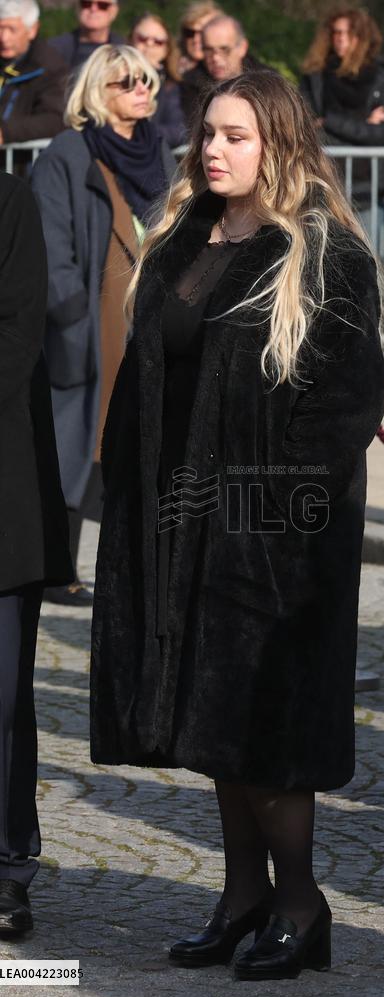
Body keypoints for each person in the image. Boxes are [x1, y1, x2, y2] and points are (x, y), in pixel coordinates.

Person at [90, 71, 384, 980]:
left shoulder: (323, 254)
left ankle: (300, 905)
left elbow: (342, 409)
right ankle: (242, 897)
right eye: (208, 133)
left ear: (279, 145)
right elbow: (150, 380)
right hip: (181, 523)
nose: (213, 150)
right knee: (212, 718)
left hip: (274, 539)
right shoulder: (184, 235)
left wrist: (271, 523)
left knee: (268, 727)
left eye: (235, 136)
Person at [31, 44, 175, 606]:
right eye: (126, 82)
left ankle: (132, 576)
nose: (141, 91)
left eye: (146, 81)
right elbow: (50, 244)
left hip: (144, 319)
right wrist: (71, 315)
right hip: (90, 327)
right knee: (75, 447)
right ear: (97, 91)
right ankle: (56, 571)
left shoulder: (154, 150)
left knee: (132, 448)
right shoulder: (68, 153)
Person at [0, 171, 72, 932]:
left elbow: (18, 333)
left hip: (2, 488)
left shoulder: (9, 202)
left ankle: (6, 867)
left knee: (1, 695)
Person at [300, 6, 384, 232]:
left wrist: (329, 122)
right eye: (336, 32)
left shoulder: (380, 80)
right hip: (324, 185)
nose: (341, 39)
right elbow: (307, 128)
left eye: (349, 33)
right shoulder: (315, 77)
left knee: (369, 251)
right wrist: (362, 122)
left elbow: (379, 135)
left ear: (363, 38)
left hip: (367, 189)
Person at [180, 15, 265, 129]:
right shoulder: (188, 86)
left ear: (242, 48)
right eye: (208, 50)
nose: (215, 57)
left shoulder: (267, 83)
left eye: (224, 49)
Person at [0, 0, 67, 144]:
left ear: (32, 30)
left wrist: (5, 132)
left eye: (12, 29)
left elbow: (55, 119)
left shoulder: (50, 67)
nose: (4, 38)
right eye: (0, 28)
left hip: (23, 156)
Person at [129, 12, 187, 149]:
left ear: (166, 49)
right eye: (142, 39)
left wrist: (134, 131)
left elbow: (178, 131)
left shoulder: (170, 86)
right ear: (131, 40)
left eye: (158, 42)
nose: (149, 44)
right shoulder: (113, 77)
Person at [49, 0, 123, 71]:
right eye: (86, 3)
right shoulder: (52, 50)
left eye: (102, 5)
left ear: (114, 11)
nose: (93, 9)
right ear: (77, 8)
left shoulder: (124, 52)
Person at [178, 0, 222, 75]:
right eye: (190, 32)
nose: (196, 39)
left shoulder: (234, 72)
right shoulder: (172, 71)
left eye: (203, 33)